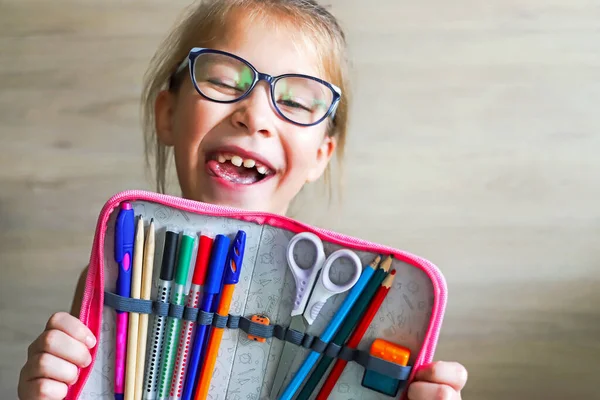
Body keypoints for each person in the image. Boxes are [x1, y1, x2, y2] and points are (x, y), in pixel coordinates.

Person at [17, 1, 468, 399]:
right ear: (168, 115)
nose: (254, 116)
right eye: (223, 81)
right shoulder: (124, 268)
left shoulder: (371, 308)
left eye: (295, 102)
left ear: (320, 157)